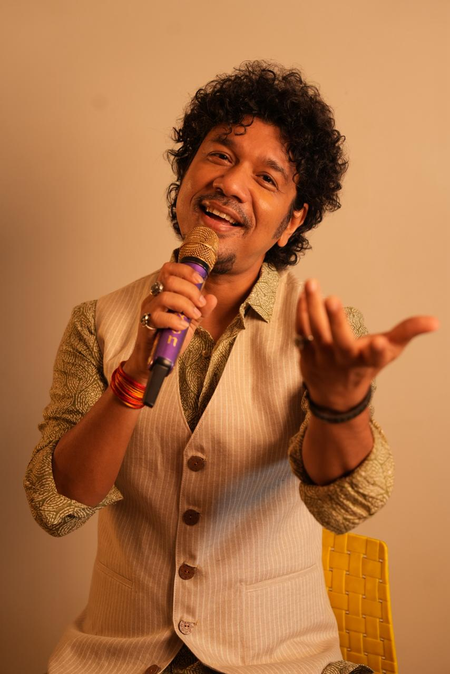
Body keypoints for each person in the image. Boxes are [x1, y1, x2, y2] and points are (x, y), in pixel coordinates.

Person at [24, 61, 438, 674]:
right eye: (219, 156)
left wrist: (339, 405)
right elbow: (58, 504)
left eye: (267, 177)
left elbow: (344, 506)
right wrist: (132, 375)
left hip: (278, 661)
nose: (231, 183)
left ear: (291, 221)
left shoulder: (322, 331)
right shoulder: (98, 322)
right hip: (118, 658)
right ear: (186, 175)